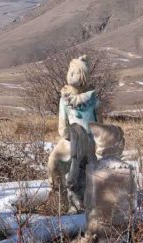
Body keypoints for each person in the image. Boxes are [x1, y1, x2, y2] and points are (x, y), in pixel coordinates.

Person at [48, 55, 100, 198]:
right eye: (70, 70)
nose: (70, 74)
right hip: (70, 139)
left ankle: (86, 198)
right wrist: (70, 135)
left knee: (89, 170)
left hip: (88, 140)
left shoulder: (92, 98)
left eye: (75, 71)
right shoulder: (64, 99)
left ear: (83, 76)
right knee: (53, 161)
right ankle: (59, 195)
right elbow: (62, 125)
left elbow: (98, 124)